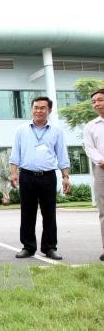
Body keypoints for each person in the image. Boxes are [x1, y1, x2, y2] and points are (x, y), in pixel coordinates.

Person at [9, 96, 71, 260]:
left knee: (49, 213)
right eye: (35, 107)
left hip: (48, 177)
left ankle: (49, 247)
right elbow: (15, 154)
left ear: (49, 110)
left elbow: (62, 156)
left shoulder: (56, 131)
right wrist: (14, 173)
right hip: (27, 176)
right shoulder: (21, 130)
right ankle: (28, 247)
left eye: (42, 108)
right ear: (31, 109)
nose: (38, 110)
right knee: (27, 213)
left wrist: (65, 176)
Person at [83, 89, 104, 262]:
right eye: (94, 102)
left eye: (100, 100)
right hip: (102, 170)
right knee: (103, 211)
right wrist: (101, 160)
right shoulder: (91, 126)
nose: (96, 104)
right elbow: (89, 147)